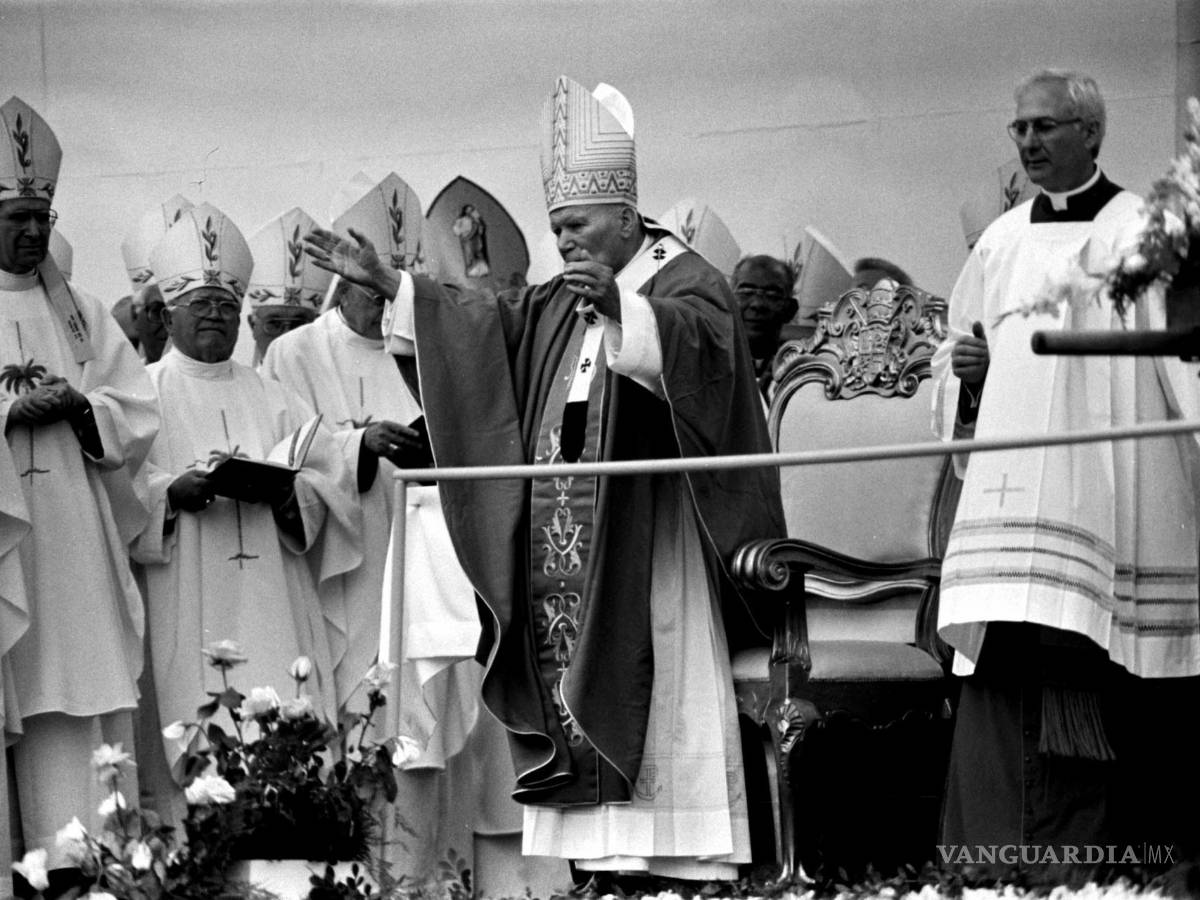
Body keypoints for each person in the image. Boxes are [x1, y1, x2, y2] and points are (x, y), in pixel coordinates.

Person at [305, 75, 785, 883]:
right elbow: (485, 330)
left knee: (658, 689)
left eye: (579, 224)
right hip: (568, 544)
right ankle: (599, 869)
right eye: (558, 226)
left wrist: (633, 318)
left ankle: (676, 864)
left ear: (628, 217)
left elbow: (712, 361)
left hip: (649, 537)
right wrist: (393, 285)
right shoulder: (562, 297)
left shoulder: (684, 279)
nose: (565, 239)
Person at [932, 69, 1200, 878]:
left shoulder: (1141, 235)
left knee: (1098, 672)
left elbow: (1182, 362)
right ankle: (997, 868)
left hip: (1110, 499)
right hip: (1007, 512)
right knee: (1006, 673)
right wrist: (968, 374)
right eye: (1019, 129)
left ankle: (1094, 870)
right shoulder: (1002, 240)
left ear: (1092, 132)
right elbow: (953, 353)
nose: (1028, 142)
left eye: (1045, 126)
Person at [130, 203, 361, 820]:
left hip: (272, 596)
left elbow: (324, 481)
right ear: (168, 312)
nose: (216, 316)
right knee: (192, 735)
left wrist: (289, 494)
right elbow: (119, 489)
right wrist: (169, 494)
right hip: (185, 587)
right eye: (201, 305)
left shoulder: (274, 395)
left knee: (284, 727)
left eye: (227, 307)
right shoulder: (142, 393)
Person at [0, 96, 159, 882]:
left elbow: (137, 410)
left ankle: (97, 873)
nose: (33, 231)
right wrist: (6, 416)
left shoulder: (83, 317)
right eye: (17, 216)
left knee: (85, 696)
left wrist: (81, 407)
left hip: (78, 540)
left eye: (41, 215)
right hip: (9, 549)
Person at [730, 254, 798, 400]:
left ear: (790, 310)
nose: (757, 304)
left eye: (772, 295)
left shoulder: (800, 370)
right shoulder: (700, 363)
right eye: (746, 292)